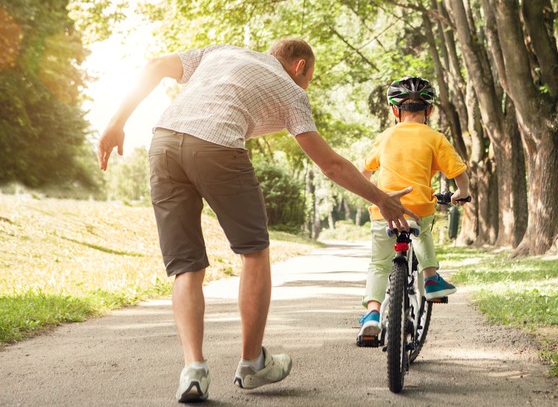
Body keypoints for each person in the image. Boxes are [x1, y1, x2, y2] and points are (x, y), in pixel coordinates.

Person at [96, 39, 418, 403]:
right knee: (254, 252)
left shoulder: (220, 52)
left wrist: (116, 122)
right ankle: (251, 364)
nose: (307, 86)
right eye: (309, 78)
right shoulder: (292, 91)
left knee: (185, 266)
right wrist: (381, 199)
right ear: (299, 67)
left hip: (164, 144)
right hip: (217, 147)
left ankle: (194, 370)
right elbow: (330, 164)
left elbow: (154, 64)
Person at [356, 76, 470, 345]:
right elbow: (459, 173)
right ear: (429, 110)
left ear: (395, 111)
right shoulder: (435, 137)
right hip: (418, 207)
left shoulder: (385, 137)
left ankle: (372, 314)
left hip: (383, 209)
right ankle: (430, 279)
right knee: (421, 234)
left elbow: (364, 172)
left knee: (379, 263)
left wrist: (373, 195)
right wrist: (461, 194)